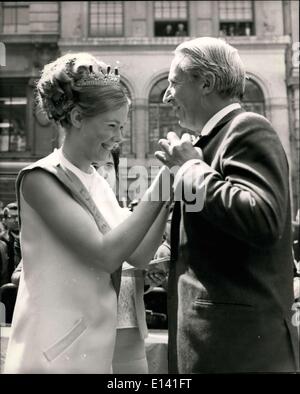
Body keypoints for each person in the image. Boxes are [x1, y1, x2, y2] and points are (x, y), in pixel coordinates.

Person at [4, 52, 172, 374]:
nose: (118, 138)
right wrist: (163, 182)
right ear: (78, 118)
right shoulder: (40, 179)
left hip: (95, 349)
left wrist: (168, 195)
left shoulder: (97, 181)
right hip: (52, 353)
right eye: (111, 125)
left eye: (122, 127)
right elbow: (106, 256)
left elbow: (138, 254)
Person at [155, 37, 299, 373]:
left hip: (239, 350)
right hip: (220, 345)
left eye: (174, 82)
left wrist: (190, 168)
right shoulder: (209, 142)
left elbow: (262, 219)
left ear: (205, 83)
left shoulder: (247, 128)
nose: (167, 95)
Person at [96, 149, 149, 374]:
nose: (103, 174)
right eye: (95, 167)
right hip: (92, 326)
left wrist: (149, 276)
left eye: (109, 166)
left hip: (131, 325)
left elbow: (141, 261)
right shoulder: (71, 215)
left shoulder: (130, 218)